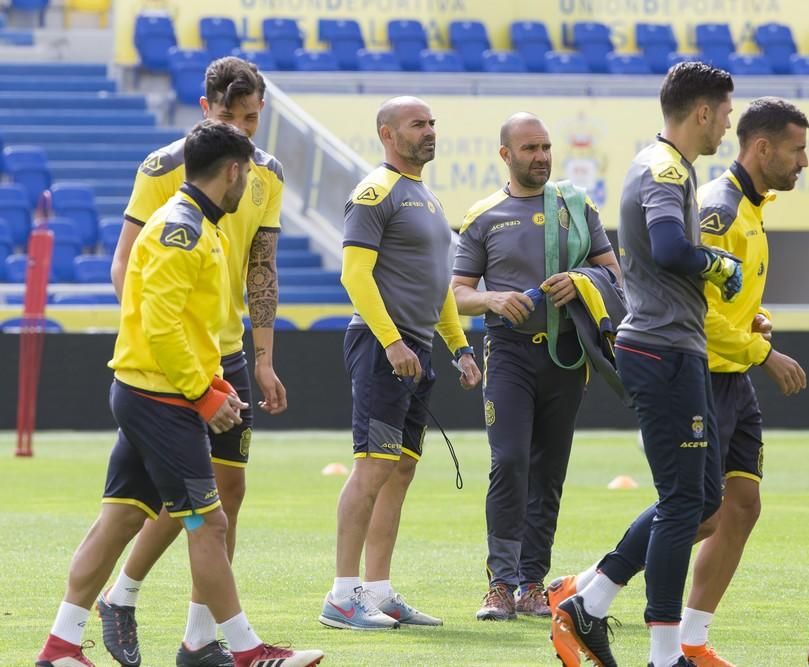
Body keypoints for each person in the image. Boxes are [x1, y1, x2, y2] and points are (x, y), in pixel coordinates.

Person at [35, 120, 323, 667]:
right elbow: (160, 326)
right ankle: (246, 652)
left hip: (154, 392)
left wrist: (214, 383)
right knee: (208, 523)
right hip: (162, 400)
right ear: (233, 171)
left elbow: (186, 327)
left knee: (120, 518)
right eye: (247, 173)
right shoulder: (183, 230)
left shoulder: (199, 225)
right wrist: (203, 393)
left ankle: (61, 647)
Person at [550, 61, 741, 667]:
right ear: (703, 111)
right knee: (685, 502)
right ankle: (664, 656)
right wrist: (718, 264)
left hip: (675, 346)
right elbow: (669, 248)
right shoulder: (662, 168)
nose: (728, 126)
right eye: (726, 113)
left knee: (703, 500)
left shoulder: (669, 166)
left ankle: (591, 598)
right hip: (661, 350)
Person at [102, 57, 286, 667]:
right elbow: (126, 265)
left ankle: (197, 638)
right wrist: (160, 347)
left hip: (228, 352)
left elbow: (261, 268)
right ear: (206, 110)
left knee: (225, 492)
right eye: (231, 116)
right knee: (179, 497)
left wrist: (261, 358)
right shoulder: (162, 169)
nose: (243, 128)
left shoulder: (269, 174)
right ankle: (122, 595)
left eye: (252, 117)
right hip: (176, 358)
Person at [318, 96, 482, 631]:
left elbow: (438, 289)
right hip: (382, 348)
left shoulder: (427, 198)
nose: (430, 131)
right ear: (389, 134)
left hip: (417, 350)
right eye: (419, 124)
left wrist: (458, 347)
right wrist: (391, 343)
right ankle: (343, 596)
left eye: (433, 122)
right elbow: (354, 276)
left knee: (401, 470)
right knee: (373, 466)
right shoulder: (375, 192)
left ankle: (380, 590)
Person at [451, 112, 621, 621]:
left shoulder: (578, 205)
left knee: (549, 470)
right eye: (529, 149)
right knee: (509, 462)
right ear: (506, 155)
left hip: (567, 356)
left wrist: (582, 281)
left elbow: (615, 274)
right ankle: (500, 584)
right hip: (509, 355)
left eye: (546, 147)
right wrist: (495, 300)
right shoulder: (483, 216)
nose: (541, 157)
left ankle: (531, 583)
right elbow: (457, 295)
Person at [677, 97, 809, 666]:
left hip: (732, 378)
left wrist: (754, 321)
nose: (804, 161)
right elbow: (694, 314)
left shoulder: (754, 208)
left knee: (743, 504)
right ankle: (586, 587)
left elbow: (725, 300)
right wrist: (764, 351)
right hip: (700, 376)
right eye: (797, 149)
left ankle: (693, 639)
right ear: (762, 148)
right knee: (700, 512)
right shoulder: (719, 209)